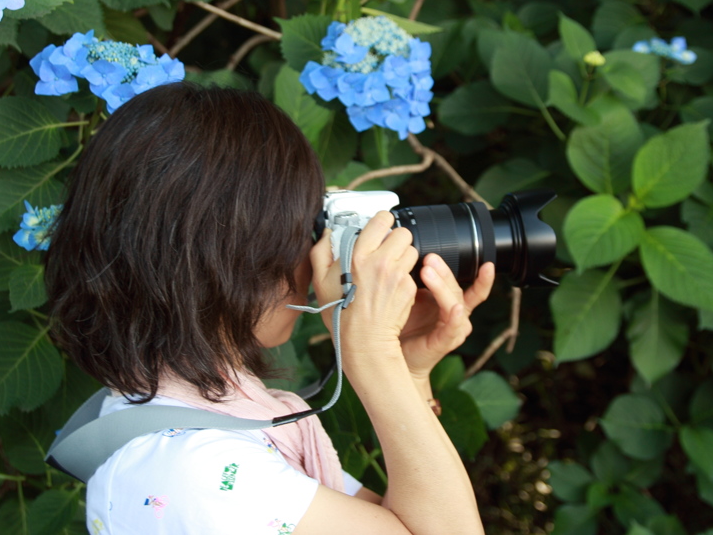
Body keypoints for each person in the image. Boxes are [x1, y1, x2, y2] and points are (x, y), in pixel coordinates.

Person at [46, 82, 494, 535]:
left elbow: (405, 522)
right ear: (229, 258)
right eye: (302, 227)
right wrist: (374, 357)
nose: (317, 251)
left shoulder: (189, 430)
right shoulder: (201, 474)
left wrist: (404, 371)